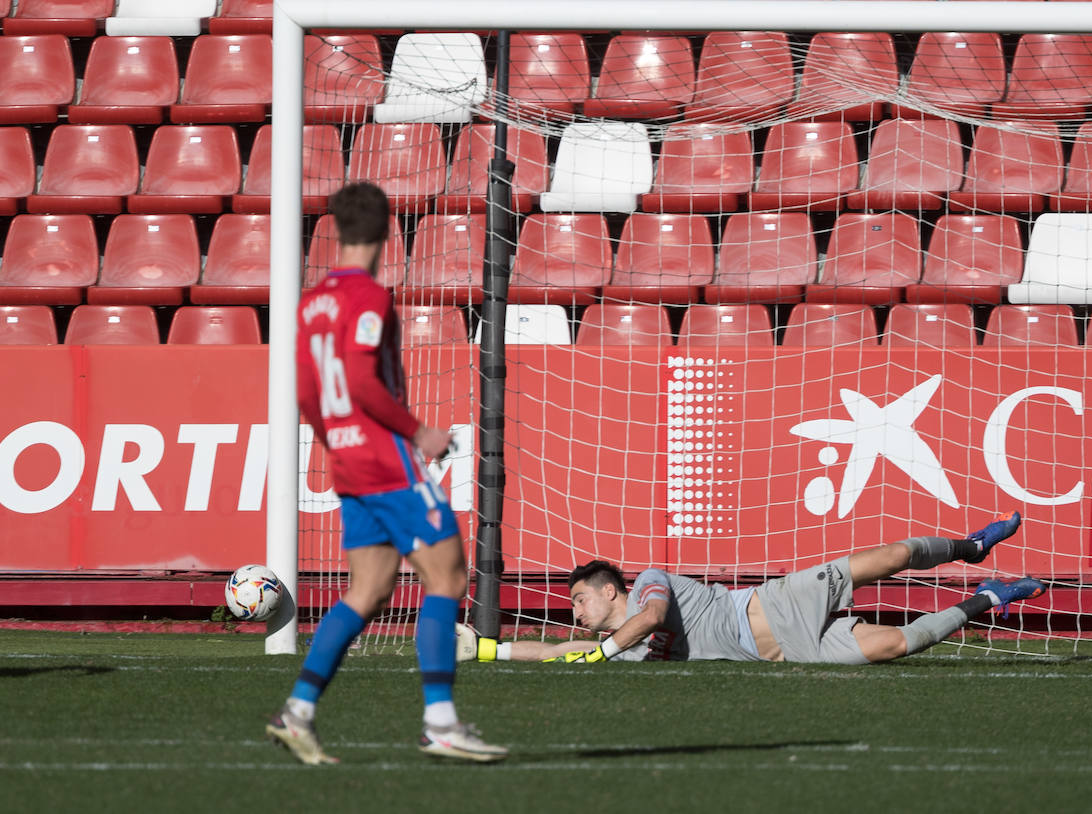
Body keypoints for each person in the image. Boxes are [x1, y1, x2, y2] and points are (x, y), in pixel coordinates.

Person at [266, 182, 506, 765]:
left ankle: (298, 712)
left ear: (336, 231)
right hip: (385, 457)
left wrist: (337, 441)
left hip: (346, 459)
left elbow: (305, 388)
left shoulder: (310, 302)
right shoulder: (369, 298)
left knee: (370, 591)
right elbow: (363, 378)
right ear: (387, 234)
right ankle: (441, 722)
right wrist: (416, 433)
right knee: (447, 578)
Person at [458, 512, 1044, 666]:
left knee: (890, 557)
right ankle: (990, 597)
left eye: (580, 597)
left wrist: (602, 653)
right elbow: (557, 652)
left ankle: (971, 548)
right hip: (787, 652)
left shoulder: (648, 586)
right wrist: (486, 650)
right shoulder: (615, 645)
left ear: (612, 589)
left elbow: (655, 616)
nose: (575, 608)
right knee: (897, 647)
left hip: (778, 601)